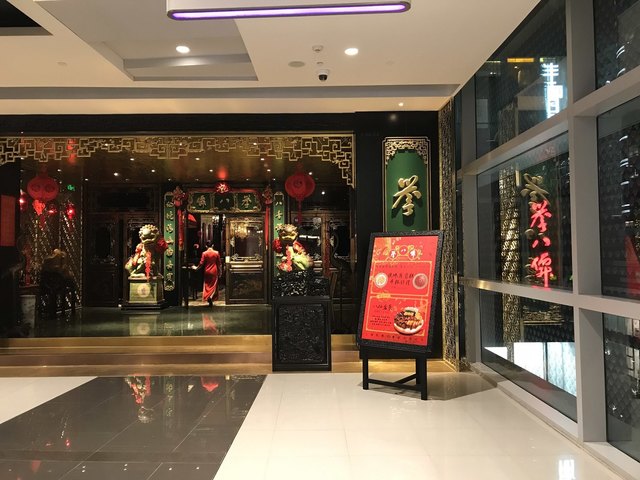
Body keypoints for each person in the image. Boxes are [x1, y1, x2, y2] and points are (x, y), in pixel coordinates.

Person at [192, 242, 222, 307]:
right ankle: (210, 297)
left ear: (206, 246)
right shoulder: (216, 253)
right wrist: (220, 272)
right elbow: (219, 263)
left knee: (207, 285)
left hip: (207, 270)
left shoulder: (204, 253)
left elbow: (201, 263)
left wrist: (196, 268)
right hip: (214, 270)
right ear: (213, 245)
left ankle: (208, 296)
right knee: (214, 285)